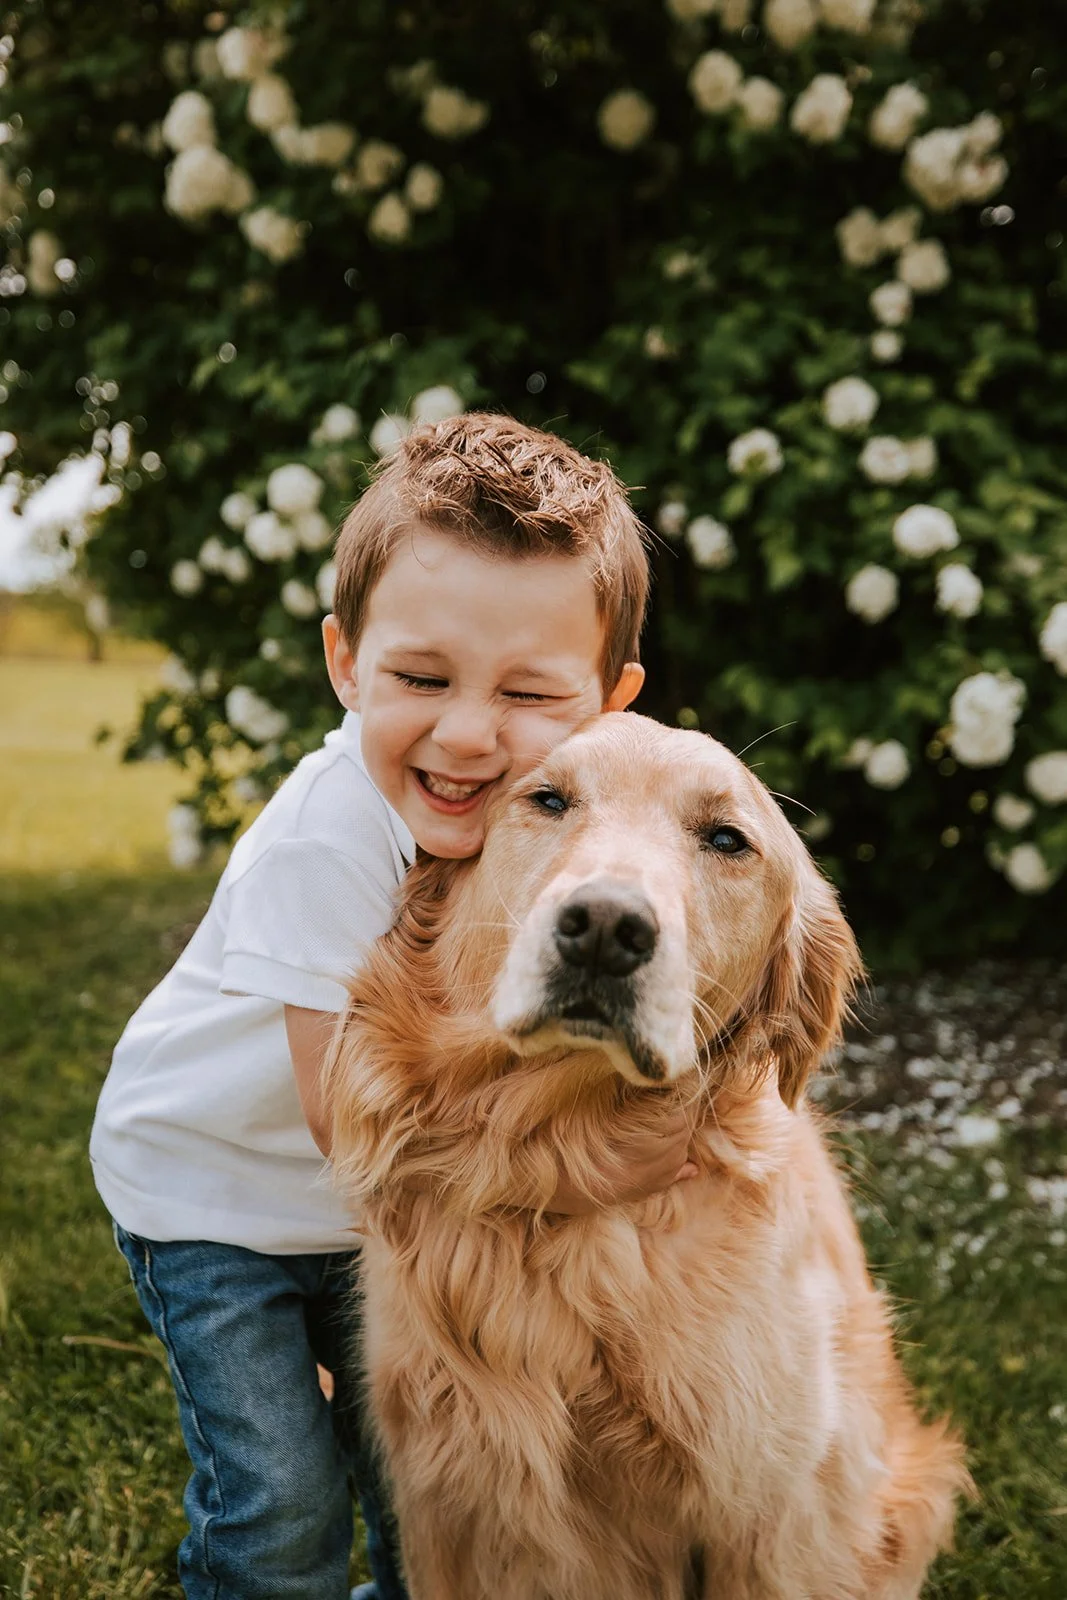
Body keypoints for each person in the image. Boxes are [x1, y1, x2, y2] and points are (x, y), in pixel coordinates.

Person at [90, 411, 698, 1600]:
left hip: (356, 1220)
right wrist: (589, 1173)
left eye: (528, 693)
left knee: (423, 1487)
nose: (467, 735)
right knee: (283, 1506)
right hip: (213, 1197)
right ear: (345, 663)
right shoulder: (322, 844)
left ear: (610, 704)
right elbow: (355, 1133)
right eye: (421, 678)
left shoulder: (535, 837)